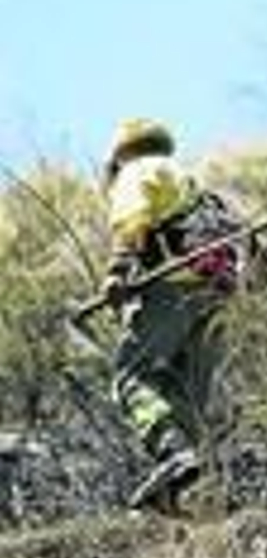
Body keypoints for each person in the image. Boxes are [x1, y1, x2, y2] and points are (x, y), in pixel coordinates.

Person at [100, 119, 244, 511]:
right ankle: (197, 492)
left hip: (174, 285)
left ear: (122, 153)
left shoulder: (138, 170)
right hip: (216, 293)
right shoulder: (190, 182)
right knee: (187, 392)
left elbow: (134, 219)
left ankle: (174, 455)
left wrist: (118, 271)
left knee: (133, 377)